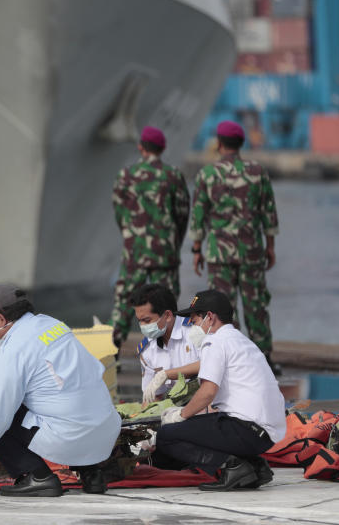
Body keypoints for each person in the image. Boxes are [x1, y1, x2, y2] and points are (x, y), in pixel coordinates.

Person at [0, 283, 121, 497]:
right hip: (106, 431)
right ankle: (93, 474)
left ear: (1, 319)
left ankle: (37, 476)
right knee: (65, 401)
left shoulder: (14, 350)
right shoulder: (54, 325)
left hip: (71, 438)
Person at [155, 289, 285, 491]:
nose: (192, 325)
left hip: (246, 430)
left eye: (194, 320)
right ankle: (255, 466)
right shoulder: (238, 340)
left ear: (210, 317)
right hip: (266, 434)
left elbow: (208, 392)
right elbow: (204, 367)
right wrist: (166, 374)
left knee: (167, 436)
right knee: (202, 424)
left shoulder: (214, 341)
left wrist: (180, 415)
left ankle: (232, 466)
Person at [190, 120, 279, 370]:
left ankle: (231, 358)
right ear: (241, 144)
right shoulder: (257, 172)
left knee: (222, 307)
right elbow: (268, 213)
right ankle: (265, 358)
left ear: (219, 144)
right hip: (251, 251)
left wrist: (196, 249)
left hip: (219, 253)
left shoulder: (207, 174)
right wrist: (270, 245)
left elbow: (199, 216)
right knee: (256, 305)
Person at [109, 125, 190, 350]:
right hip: (165, 253)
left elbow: (119, 212)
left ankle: (113, 348)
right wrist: (174, 241)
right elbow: (182, 214)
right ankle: (171, 350)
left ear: (140, 148)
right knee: (167, 302)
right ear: (162, 148)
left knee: (124, 300)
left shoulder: (126, 175)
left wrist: (130, 237)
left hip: (134, 251)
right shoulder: (172, 175)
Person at [130, 284, 201, 405]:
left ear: (167, 315)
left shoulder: (195, 330)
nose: (142, 326)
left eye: (147, 320)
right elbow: (152, 397)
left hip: (208, 403)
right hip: (177, 408)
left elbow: (212, 362)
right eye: (139, 321)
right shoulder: (147, 349)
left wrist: (167, 375)